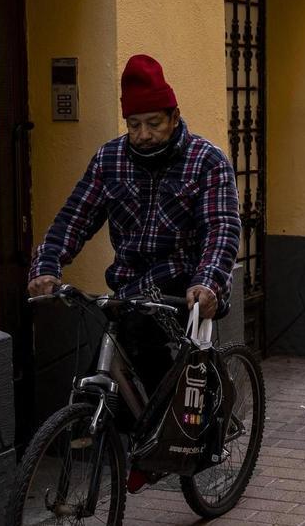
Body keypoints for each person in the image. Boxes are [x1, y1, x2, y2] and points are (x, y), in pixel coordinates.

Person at [28, 54, 241, 393]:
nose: (143, 134)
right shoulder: (109, 159)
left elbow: (221, 230)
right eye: (134, 124)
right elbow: (74, 218)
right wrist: (47, 265)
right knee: (104, 381)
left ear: (174, 117)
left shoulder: (207, 161)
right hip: (129, 291)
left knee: (171, 385)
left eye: (154, 123)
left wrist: (207, 282)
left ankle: (197, 429)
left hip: (185, 290)